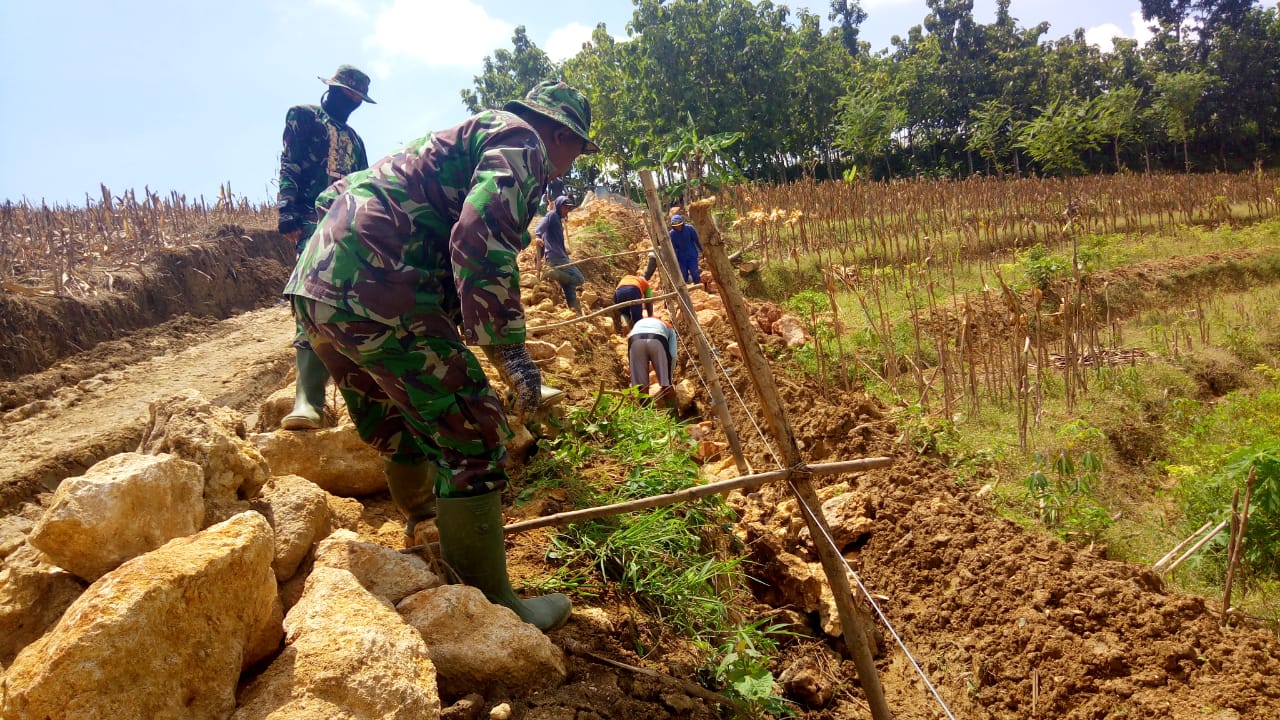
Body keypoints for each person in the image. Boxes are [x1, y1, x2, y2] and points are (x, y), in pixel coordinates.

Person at [284, 80, 598, 631]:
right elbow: (479, 238)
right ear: (558, 132)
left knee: (406, 420)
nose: (568, 167)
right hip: (381, 286)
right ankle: (491, 610)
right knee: (473, 431)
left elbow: (333, 195)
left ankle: (424, 524)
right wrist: (513, 357)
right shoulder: (522, 140)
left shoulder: (453, 140)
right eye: (576, 150)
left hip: (318, 288)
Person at [277, 64, 374, 431]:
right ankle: (308, 400)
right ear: (331, 89)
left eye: (357, 99)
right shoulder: (304, 117)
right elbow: (290, 162)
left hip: (346, 226)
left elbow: (365, 187)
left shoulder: (356, 140)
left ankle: (361, 395)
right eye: (347, 94)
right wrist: (287, 210)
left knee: (351, 299)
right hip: (308, 219)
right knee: (309, 295)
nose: (351, 102)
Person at [535, 195, 585, 315]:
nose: (567, 210)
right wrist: (537, 235)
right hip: (557, 258)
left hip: (557, 257)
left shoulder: (557, 219)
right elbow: (542, 223)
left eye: (568, 208)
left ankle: (577, 315)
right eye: (565, 208)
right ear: (558, 206)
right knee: (579, 279)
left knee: (570, 288)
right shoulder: (552, 215)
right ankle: (554, 273)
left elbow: (546, 240)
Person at [627, 313, 677, 405]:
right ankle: (674, 417)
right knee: (666, 385)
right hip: (657, 339)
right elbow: (673, 354)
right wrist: (668, 376)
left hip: (635, 340)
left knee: (641, 386)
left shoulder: (639, 323)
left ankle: (645, 415)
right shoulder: (669, 327)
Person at [669, 214, 702, 285]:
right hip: (681, 257)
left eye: (679, 225)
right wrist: (673, 259)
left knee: (694, 272)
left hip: (692, 255)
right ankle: (687, 290)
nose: (678, 227)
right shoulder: (672, 234)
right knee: (683, 274)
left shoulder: (690, 229)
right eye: (676, 226)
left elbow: (697, 240)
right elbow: (672, 247)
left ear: (682, 223)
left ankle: (699, 286)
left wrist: (702, 250)